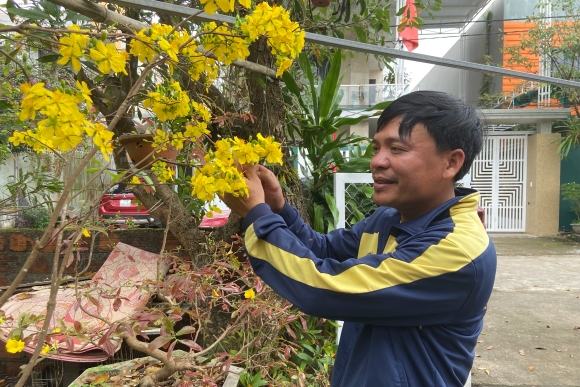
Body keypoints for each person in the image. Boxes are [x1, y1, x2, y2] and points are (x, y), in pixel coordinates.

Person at [222, 90, 497, 387]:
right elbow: (323, 250)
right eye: (377, 147)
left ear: (451, 163)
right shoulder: (390, 218)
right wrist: (279, 209)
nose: (377, 161)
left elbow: (323, 287)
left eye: (397, 149)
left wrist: (258, 216)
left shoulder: (457, 251)